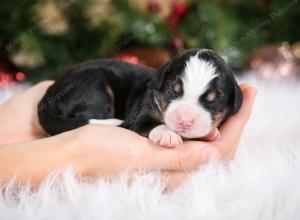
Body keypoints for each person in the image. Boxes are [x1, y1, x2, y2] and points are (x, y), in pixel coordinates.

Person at [0, 81, 256, 189]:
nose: (186, 117)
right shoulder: (150, 98)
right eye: (175, 94)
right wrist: (72, 153)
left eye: (210, 104)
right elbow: (141, 120)